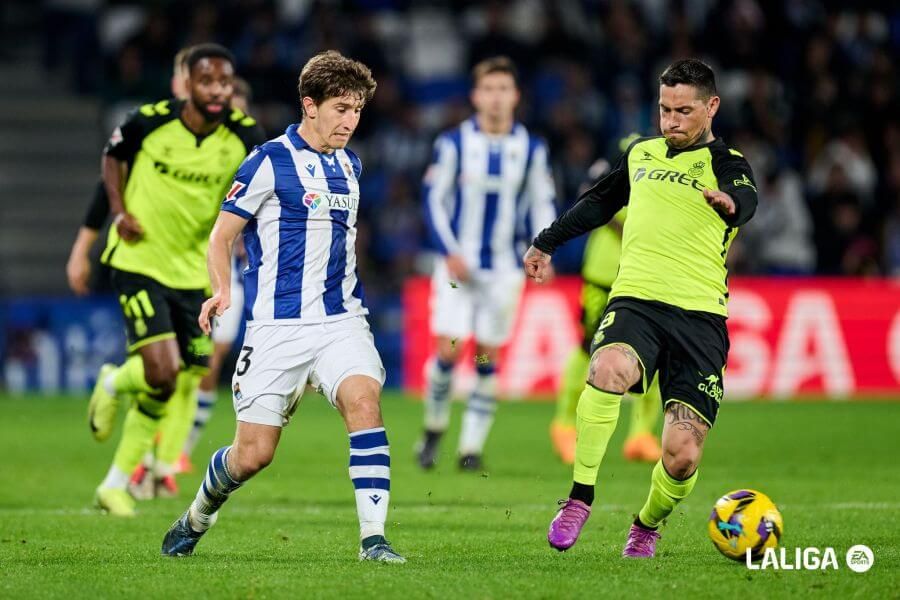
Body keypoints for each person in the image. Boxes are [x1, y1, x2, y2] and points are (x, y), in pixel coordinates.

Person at [161, 50, 405, 564]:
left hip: (341, 320)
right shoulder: (268, 160)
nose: (350, 121)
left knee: (364, 403)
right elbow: (221, 236)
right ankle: (198, 513)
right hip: (276, 327)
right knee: (253, 456)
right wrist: (222, 291)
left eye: (357, 110)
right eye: (341, 108)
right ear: (309, 105)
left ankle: (374, 541)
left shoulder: (351, 165)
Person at [523, 59, 757, 558]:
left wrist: (732, 204)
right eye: (664, 110)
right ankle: (579, 497)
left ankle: (647, 524)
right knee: (606, 366)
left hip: (700, 317)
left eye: (684, 111)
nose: (671, 121)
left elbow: (745, 193)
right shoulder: (642, 155)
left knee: (682, 455)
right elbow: (596, 202)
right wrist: (546, 243)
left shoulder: (728, 163)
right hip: (636, 301)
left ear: (711, 107)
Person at [87, 43, 265, 517]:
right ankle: (118, 427)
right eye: (207, 81)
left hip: (194, 273)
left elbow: (266, 186)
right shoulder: (149, 120)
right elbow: (112, 157)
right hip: (139, 262)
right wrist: (120, 211)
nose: (217, 91)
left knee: (187, 372)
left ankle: (117, 476)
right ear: (187, 82)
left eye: (225, 83)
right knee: (162, 372)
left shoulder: (244, 134)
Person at [416, 56, 557, 471]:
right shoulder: (454, 143)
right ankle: (434, 427)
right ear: (476, 96)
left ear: (515, 96)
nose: (496, 98)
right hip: (459, 269)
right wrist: (449, 249)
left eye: (504, 89)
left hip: (503, 270)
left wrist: (542, 250)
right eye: (488, 89)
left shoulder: (530, 148)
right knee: (450, 347)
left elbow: (541, 204)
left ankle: (470, 448)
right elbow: (432, 200)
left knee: (485, 356)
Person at [550, 147, 662, 466]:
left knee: (655, 351)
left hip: (650, 271)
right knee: (590, 348)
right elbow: (588, 192)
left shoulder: (682, 157)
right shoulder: (622, 150)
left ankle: (640, 434)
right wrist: (625, 229)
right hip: (604, 269)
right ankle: (564, 424)